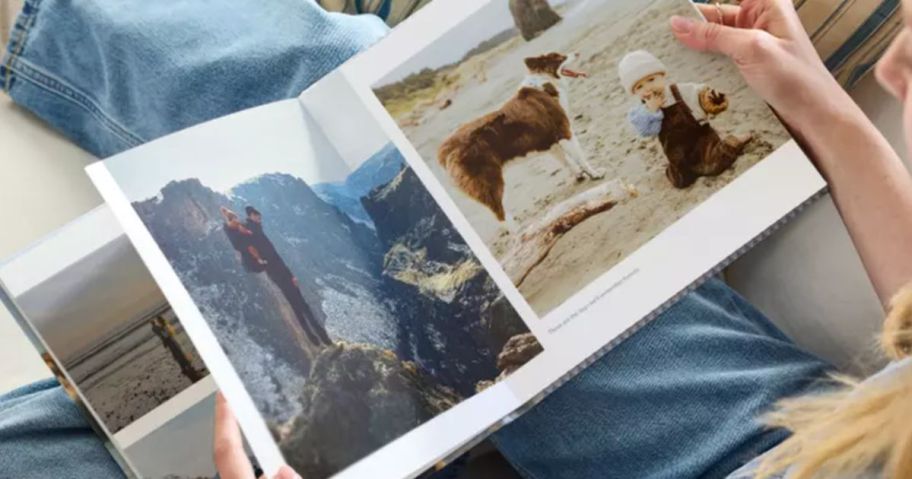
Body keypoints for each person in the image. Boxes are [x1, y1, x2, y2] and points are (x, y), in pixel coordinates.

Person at [0, 1, 909, 478]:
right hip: (780, 436)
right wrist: (825, 113)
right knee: (344, 105)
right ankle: (42, 21)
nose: (899, 61)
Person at [621, 49, 753, 188]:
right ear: (634, 92)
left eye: (651, 80)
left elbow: (697, 93)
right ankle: (680, 171)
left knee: (714, 164)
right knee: (680, 181)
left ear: (662, 76)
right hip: (678, 155)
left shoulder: (677, 91)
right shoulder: (642, 111)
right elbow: (647, 131)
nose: (647, 87)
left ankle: (733, 141)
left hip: (702, 143)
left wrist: (708, 98)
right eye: (639, 86)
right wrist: (652, 110)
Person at [243, 206, 333, 348]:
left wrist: (291, 275)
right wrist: (263, 261)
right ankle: (321, 338)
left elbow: (275, 255)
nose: (260, 220)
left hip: (279, 273)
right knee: (302, 306)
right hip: (277, 273)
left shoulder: (256, 230)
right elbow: (259, 252)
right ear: (251, 216)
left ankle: (315, 338)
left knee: (299, 307)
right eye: (258, 217)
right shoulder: (251, 231)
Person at [151, 315, 205, 383]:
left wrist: (165, 342)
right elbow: (168, 334)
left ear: (159, 321)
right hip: (173, 341)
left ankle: (185, 367)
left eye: (157, 321)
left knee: (178, 355)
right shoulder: (164, 326)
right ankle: (187, 367)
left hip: (172, 342)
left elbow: (166, 335)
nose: (157, 322)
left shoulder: (162, 327)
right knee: (179, 354)